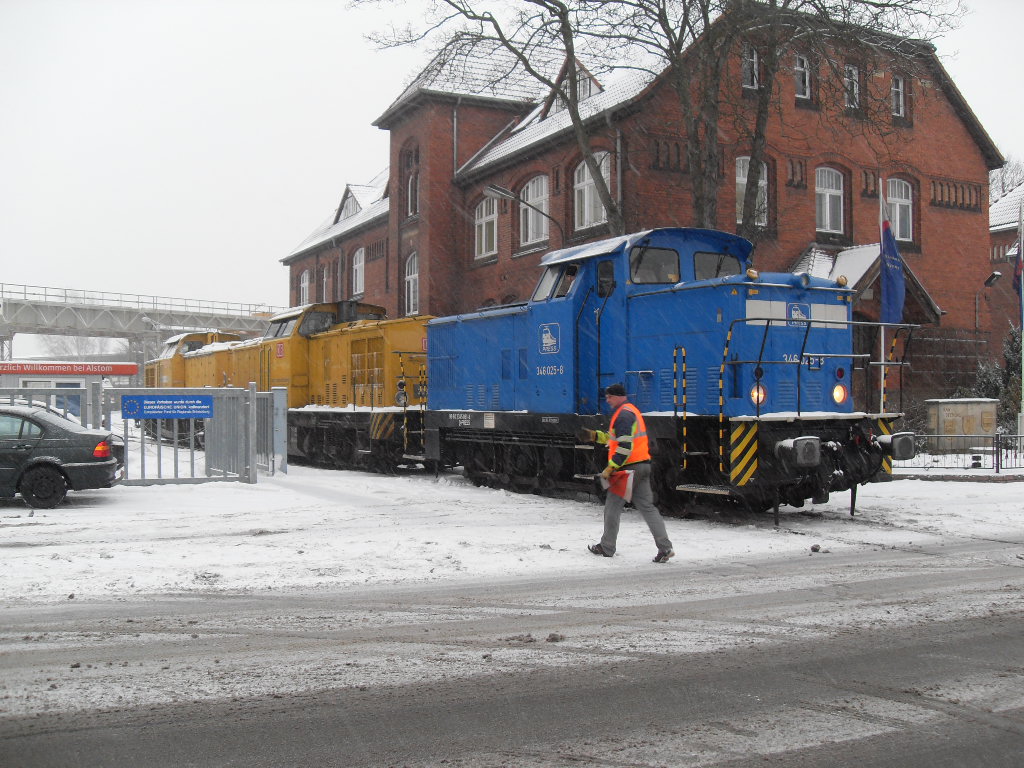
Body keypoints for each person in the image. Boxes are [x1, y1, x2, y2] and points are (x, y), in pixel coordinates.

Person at [578, 383, 674, 563]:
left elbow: (624, 447)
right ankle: (665, 547)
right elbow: (615, 438)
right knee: (647, 508)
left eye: (609, 397)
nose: (607, 400)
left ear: (619, 396)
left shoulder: (623, 415)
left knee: (612, 506)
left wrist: (611, 468)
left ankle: (606, 547)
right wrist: (595, 436)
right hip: (643, 465)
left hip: (628, 468)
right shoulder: (631, 412)